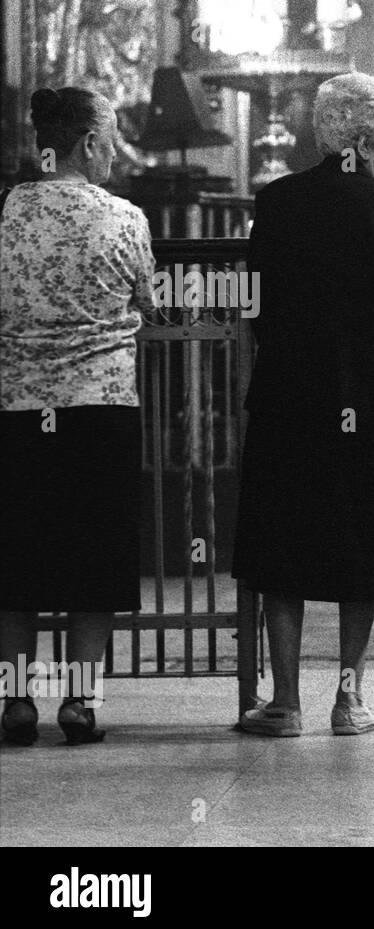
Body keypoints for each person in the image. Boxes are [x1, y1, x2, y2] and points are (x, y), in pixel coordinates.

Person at [232, 73, 374, 738]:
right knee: (364, 541)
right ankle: (348, 701)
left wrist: (295, 352)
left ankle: (286, 701)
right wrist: (372, 358)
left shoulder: (278, 200)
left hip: (291, 389)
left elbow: (256, 304)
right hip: (372, 395)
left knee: (281, 545)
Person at [0, 87, 153, 745]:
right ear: (89, 142)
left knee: (16, 564)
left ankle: (15, 700)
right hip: (101, 409)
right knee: (95, 560)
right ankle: (81, 702)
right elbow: (149, 298)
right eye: (111, 136)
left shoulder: (5, 214)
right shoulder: (122, 218)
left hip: (17, 408)